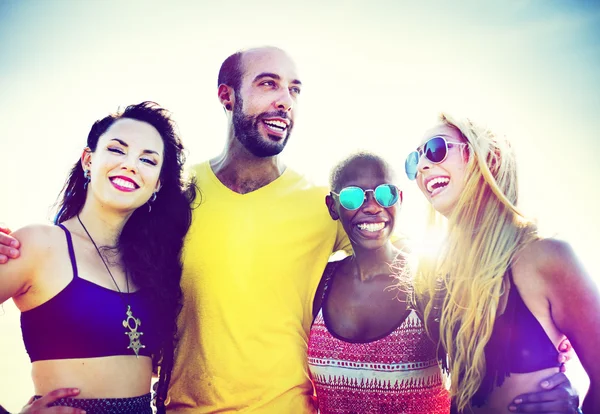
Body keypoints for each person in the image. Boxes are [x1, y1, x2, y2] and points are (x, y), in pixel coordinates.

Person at [0, 47, 585, 413]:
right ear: (227, 96)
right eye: (268, 84)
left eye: (295, 89)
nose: (284, 100)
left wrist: (546, 349)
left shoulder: (319, 204)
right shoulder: (177, 199)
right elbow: (105, 252)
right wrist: (24, 251)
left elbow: (398, 252)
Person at [0, 101, 195, 413]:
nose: (131, 164)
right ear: (88, 160)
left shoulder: (152, 268)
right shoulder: (39, 244)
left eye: (148, 159)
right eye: (117, 150)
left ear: (157, 183)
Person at [405, 113, 599, 413]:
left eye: (435, 149)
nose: (421, 166)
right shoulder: (436, 274)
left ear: (490, 159)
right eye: (413, 160)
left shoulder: (545, 257)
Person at [308, 151, 451, 413]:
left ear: (400, 199)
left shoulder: (430, 281)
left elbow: (482, 368)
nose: (373, 206)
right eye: (352, 197)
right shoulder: (320, 283)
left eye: (386, 194)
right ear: (332, 207)